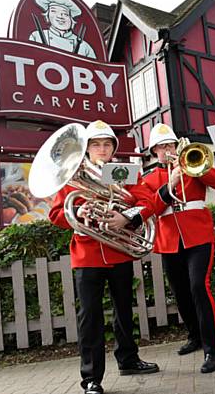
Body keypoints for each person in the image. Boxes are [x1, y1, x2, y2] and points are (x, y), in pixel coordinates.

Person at [49, 120, 159, 394]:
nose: (101, 149)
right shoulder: (72, 175)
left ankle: (129, 360)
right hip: (87, 256)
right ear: (86, 149)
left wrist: (126, 217)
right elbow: (55, 214)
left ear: (113, 149)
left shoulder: (125, 173)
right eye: (96, 144)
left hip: (119, 252)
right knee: (90, 318)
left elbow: (149, 202)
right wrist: (81, 213)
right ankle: (91, 379)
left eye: (106, 144)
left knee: (124, 311)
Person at [142, 123, 215, 373]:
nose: (166, 150)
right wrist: (170, 183)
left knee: (199, 287)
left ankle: (213, 350)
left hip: (198, 235)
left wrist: (195, 169)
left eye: (169, 144)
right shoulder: (147, 178)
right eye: (161, 146)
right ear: (154, 151)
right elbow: (150, 209)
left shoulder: (192, 165)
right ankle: (195, 336)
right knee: (181, 292)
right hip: (169, 239)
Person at [29, 0, 96, 58]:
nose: (60, 16)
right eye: (54, 11)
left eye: (65, 13)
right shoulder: (36, 36)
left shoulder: (84, 47)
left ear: (71, 19)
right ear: (47, 15)